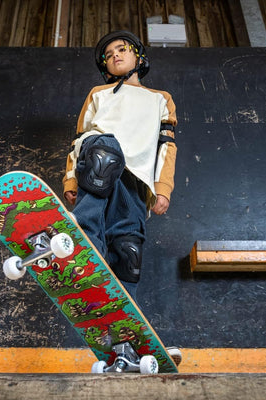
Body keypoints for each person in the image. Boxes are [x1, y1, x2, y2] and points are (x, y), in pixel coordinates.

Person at [62, 30, 177, 301]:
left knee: (128, 249)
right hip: (99, 160)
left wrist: (162, 188)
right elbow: (79, 139)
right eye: (109, 55)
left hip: (136, 176)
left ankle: (121, 310)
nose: (115, 55)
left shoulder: (161, 99)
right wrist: (71, 179)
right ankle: (85, 240)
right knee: (106, 153)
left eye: (121, 49)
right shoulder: (98, 94)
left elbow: (167, 145)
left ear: (138, 56)